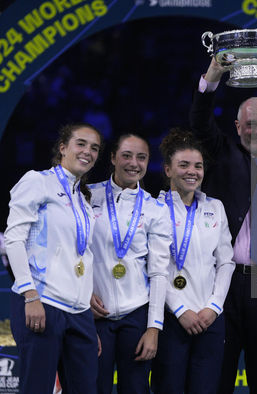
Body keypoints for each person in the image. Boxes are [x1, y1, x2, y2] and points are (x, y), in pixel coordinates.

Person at [189, 58, 257, 394]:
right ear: (238, 128)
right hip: (224, 283)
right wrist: (212, 77)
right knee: (217, 378)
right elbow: (200, 121)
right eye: (249, 124)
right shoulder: (223, 154)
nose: (256, 130)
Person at [5, 123, 104, 393]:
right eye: (81, 144)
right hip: (42, 302)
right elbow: (14, 239)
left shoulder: (84, 198)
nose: (88, 152)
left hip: (78, 312)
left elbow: (83, 254)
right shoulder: (38, 181)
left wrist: (85, 312)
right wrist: (30, 295)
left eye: (94, 148)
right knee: (36, 387)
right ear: (63, 148)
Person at [151, 128, 235, 394]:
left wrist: (214, 306)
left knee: (206, 389)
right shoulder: (154, 209)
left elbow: (226, 262)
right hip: (172, 318)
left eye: (198, 166)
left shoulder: (215, 207)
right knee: (169, 388)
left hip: (210, 318)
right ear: (167, 170)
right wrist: (180, 310)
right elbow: (154, 269)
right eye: (183, 165)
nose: (192, 171)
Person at [88, 133, 171, 394]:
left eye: (141, 157)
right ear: (112, 158)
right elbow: (74, 254)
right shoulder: (87, 196)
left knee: (135, 389)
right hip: (93, 314)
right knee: (93, 387)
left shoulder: (156, 209)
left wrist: (153, 328)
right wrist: (82, 294)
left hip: (136, 314)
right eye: (126, 155)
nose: (133, 163)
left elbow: (159, 272)